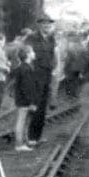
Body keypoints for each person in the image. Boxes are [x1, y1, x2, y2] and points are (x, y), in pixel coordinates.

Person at [24, 15, 57, 146]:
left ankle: (37, 137)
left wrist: (54, 69)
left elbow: (54, 55)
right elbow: (25, 55)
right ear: (39, 25)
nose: (47, 27)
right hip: (34, 76)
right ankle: (29, 137)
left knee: (42, 108)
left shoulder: (51, 39)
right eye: (44, 24)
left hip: (47, 76)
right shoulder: (31, 38)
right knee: (33, 107)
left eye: (49, 25)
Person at [12, 46, 38, 151]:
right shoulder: (26, 69)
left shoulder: (21, 67)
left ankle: (24, 141)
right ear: (27, 55)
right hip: (25, 101)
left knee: (24, 121)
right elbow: (27, 87)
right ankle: (19, 144)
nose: (34, 53)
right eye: (32, 51)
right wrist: (31, 101)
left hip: (21, 99)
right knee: (21, 122)